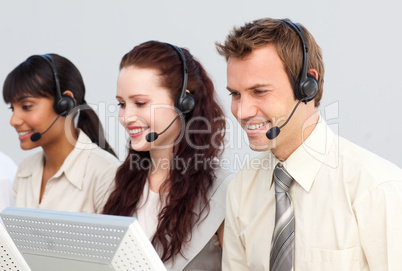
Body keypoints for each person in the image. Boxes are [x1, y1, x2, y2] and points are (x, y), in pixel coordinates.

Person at [216, 18, 402, 270]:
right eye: (235, 94)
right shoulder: (242, 189)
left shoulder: (376, 188)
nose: (242, 111)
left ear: (307, 86)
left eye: (259, 91)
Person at [102, 40, 232, 271]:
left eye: (140, 103)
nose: (126, 116)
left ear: (184, 103)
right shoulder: (119, 182)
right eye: (122, 104)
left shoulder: (223, 191)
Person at [2, 54, 120, 214]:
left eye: (27, 106)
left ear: (65, 104)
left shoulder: (105, 173)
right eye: (12, 108)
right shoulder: (25, 171)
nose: (13, 120)